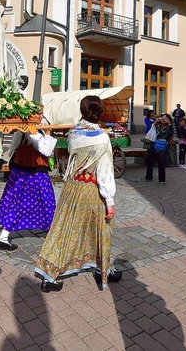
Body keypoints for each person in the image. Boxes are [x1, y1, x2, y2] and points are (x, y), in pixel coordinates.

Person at [35, 96, 120, 292]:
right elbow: (105, 170)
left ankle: (51, 275)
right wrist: (109, 200)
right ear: (100, 113)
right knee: (101, 229)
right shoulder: (102, 137)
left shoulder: (73, 133)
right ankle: (102, 268)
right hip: (91, 190)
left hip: (72, 188)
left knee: (64, 229)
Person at [0, 128, 57, 251]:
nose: (40, 117)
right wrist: (48, 133)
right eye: (38, 114)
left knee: (15, 204)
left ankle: (4, 237)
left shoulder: (22, 132)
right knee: (47, 203)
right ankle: (53, 236)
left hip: (20, 172)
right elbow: (46, 151)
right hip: (35, 174)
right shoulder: (33, 133)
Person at [144, 114, 173, 184]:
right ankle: (149, 176)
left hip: (163, 146)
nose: (163, 120)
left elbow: (170, 135)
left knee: (161, 163)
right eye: (162, 118)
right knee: (150, 161)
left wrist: (169, 124)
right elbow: (151, 129)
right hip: (154, 144)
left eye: (165, 118)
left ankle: (162, 180)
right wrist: (156, 121)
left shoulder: (169, 127)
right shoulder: (157, 125)